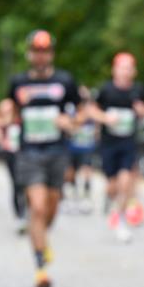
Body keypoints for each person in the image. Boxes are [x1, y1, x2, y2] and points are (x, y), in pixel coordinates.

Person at [0, 30, 82, 287]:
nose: (40, 55)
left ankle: (42, 239)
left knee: (51, 208)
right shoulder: (18, 83)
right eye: (36, 50)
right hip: (29, 152)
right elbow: (9, 111)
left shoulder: (65, 81)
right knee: (36, 207)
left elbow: (82, 111)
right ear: (29, 54)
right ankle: (40, 269)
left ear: (51, 54)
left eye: (45, 51)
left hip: (57, 152)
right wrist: (3, 121)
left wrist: (71, 122)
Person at [88, 52, 144, 243]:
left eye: (129, 68)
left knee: (125, 182)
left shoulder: (138, 90)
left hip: (128, 143)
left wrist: (143, 111)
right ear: (115, 69)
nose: (125, 71)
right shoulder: (106, 90)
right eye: (122, 67)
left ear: (134, 71)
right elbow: (91, 110)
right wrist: (105, 118)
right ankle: (110, 198)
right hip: (109, 144)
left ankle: (121, 219)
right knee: (112, 186)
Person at [0, 99, 27, 233]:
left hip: (24, 153)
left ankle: (29, 212)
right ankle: (20, 215)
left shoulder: (21, 116)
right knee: (16, 184)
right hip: (10, 153)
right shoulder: (3, 120)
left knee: (27, 184)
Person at [66, 85, 97, 215]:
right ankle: (73, 197)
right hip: (72, 147)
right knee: (70, 173)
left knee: (87, 171)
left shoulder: (92, 110)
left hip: (87, 146)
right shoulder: (71, 110)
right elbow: (69, 125)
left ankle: (86, 197)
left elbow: (97, 126)